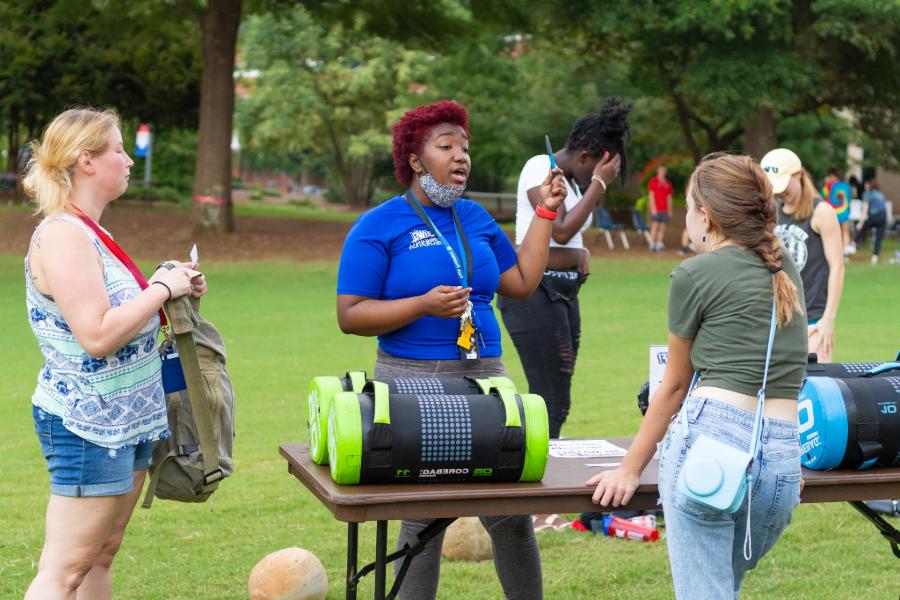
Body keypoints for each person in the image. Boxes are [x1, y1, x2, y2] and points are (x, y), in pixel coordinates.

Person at [336, 100, 567, 600]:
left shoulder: (476, 217)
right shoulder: (380, 224)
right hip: (411, 382)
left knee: (511, 516)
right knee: (420, 523)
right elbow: (350, 314)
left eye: (465, 147)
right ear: (416, 160)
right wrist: (420, 304)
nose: (461, 156)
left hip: (487, 378)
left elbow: (523, 281)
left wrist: (546, 212)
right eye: (446, 146)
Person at [588, 153, 808, 599]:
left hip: (713, 445)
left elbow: (672, 388)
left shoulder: (694, 273)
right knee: (719, 588)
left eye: (689, 208)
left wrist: (630, 469)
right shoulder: (786, 269)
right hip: (784, 454)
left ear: (705, 216)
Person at [22, 108, 207, 599]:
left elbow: (117, 311)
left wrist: (173, 287)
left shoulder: (91, 231)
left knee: (101, 554)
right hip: (88, 425)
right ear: (86, 161)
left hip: (126, 419)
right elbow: (98, 335)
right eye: (119, 150)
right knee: (64, 570)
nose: (128, 160)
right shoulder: (64, 235)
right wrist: (161, 290)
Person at [499, 98, 631, 441]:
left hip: (564, 291)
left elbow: (564, 236)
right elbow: (558, 228)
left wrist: (579, 251)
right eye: (596, 170)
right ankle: (531, 469)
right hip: (535, 292)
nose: (597, 179)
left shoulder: (571, 183)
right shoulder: (538, 168)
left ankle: (539, 465)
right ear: (585, 156)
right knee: (551, 400)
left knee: (558, 398)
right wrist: (599, 185)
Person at [762, 148, 844, 362]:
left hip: (813, 320)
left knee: (813, 387)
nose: (780, 193)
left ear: (799, 175)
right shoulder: (773, 212)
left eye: (783, 184)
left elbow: (837, 266)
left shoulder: (821, 212)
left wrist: (828, 319)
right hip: (779, 319)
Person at [854, 179, 888, 265]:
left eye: (866, 184)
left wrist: (860, 223)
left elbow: (865, 210)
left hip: (874, 216)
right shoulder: (880, 194)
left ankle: (853, 244)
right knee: (878, 237)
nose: (865, 186)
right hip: (883, 216)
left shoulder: (868, 194)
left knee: (862, 228)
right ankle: (874, 258)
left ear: (869, 185)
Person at [648, 164, 673, 251]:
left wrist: (670, 210)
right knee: (654, 226)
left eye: (664, 171)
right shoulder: (653, 181)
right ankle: (652, 244)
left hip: (665, 209)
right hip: (656, 209)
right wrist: (653, 208)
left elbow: (669, 198)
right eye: (661, 170)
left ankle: (659, 244)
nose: (662, 172)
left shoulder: (668, 183)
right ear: (658, 171)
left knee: (662, 227)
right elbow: (651, 196)